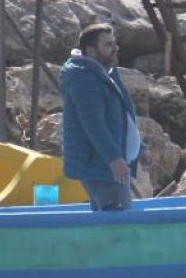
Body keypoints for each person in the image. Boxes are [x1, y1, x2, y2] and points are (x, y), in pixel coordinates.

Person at [60, 23, 149, 211]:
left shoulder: (105, 72)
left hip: (109, 164)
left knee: (112, 215)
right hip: (99, 166)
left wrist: (139, 148)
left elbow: (121, 118)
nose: (115, 48)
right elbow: (93, 124)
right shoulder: (84, 78)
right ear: (91, 50)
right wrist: (114, 158)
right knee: (118, 218)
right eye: (108, 45)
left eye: (114, 43)